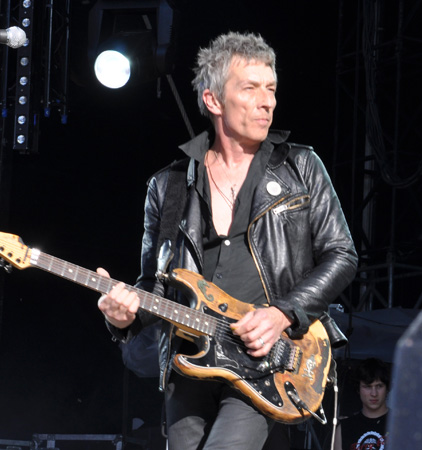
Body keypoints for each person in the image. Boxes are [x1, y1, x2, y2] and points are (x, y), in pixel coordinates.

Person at [96, 31, 358, 450]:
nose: (267, 101)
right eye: (250, 88)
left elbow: (342, 254)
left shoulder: (301, 167)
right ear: (213, 100)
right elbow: (154, 286)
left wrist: (282, 314)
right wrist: (122, 317)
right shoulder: (168, 186)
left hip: (268, 358)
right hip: (190, 361)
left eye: (270, 88)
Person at [331, 358, 390, 450]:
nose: (374, 393)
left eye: (379, 386)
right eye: (367, 386)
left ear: (387, 388)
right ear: (358, 389)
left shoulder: (401, 423)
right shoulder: (345, 428)